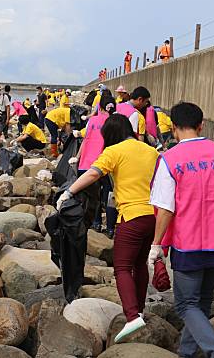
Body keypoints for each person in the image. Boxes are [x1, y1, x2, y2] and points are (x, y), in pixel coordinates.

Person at [149, 102, 214, 358]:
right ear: (201, 125)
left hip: (189, 245)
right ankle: (187, 353)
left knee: (185, 304)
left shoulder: (169, 159)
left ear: (173, 127)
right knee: (202, 302)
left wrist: (156, 245)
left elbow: (165, 209)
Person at [56, 114, 159, 342]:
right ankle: (139, 309)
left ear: (110, 134)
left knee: (122, 268)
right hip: (153, 216)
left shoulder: (114, 151)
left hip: (130, 216)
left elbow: (93, 173)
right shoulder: (150, 151)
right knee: (140, 264)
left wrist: (69, 192)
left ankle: (132, 317)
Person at [69, 94, 115, 233]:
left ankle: (95, 223)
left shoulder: (92, 121)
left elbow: (85, 139)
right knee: (109, 196)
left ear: (99, 107)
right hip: (107, 164)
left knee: (93, 197)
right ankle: (111, 228)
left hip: (88, 164)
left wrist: (77, 157)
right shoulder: (114, 122)